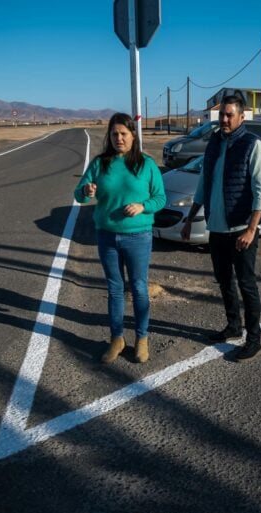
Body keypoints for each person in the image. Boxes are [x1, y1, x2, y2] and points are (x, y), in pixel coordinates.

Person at [180, 95, 261, 361]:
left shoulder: (253, 145)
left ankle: (254, 338)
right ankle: (233, 326)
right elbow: (203, 183)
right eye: (222, 115)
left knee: (246, 284)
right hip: (217, 228)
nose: (225, 119)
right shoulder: (215, 143)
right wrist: (189, 219)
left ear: (242, 117)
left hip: (241, 230)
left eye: (230, 115)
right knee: (224, 281)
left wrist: (251, 229)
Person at [74, 113, 165, 364]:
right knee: (114, 289)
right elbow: (80, 195)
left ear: (133, 135)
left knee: (139, 288)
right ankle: (117, 339)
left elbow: (160, 198)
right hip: (107, 237)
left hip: (138, 237)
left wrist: (143, 206)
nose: (119, 138)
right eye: (114, 134)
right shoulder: (100, 164)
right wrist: (86, 190)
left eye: (124, 133)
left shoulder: (146, 164)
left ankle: (142, 338)